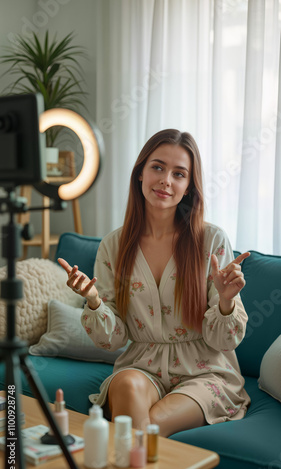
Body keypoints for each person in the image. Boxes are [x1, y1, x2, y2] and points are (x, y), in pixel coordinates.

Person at [58, 129, 251, 438]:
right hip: (141, 366)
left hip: (204, 373)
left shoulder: (211, 239)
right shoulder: (114, 245)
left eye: (179, 174)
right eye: (158, 167)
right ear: (140, 173)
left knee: (143, 429)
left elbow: (224, 341)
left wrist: (226, 301)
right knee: (126, 386)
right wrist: (94, 301)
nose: (166, 180)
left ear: (188, 187)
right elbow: (113, 339)